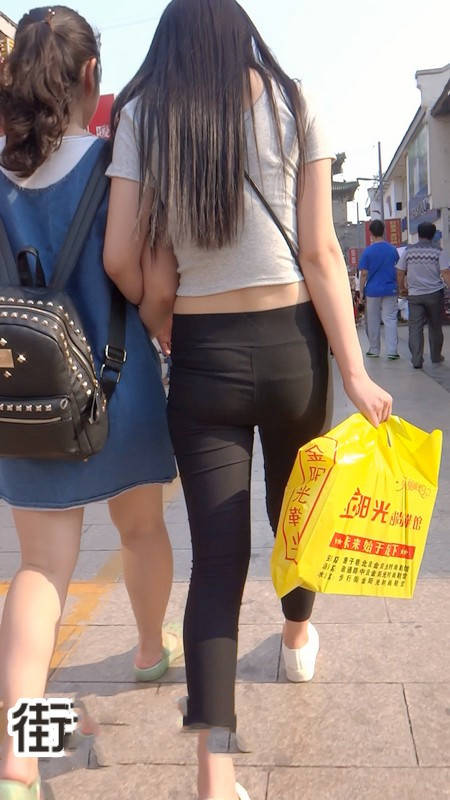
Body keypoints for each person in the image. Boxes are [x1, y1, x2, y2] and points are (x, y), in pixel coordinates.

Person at [104, 2, 392, 798]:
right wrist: (356, 370)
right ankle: (297, 637)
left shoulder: (144, 114)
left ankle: (215, 769)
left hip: (203, 355)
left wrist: (164, 324)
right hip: (294, 345)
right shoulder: (296, 101)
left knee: (217, 561)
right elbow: (321, 250)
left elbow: (121, 254)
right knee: (296, 512)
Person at [0, 7, 179, 799]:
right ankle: (148, 650)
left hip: (25, 400)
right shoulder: (113, 164)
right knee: (141, 531)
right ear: (89, 77)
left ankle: (19, 759)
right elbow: (140, 274)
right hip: (119, 384)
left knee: (41, 570)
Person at [397, 222, 450, 368]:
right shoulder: (438, 251)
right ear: (433, 235)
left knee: (415, 327)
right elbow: (445, 273)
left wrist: (402, 288)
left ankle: (416, 359)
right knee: (435, 326)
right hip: (435, 294)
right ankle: (436, 356)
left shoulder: (408, 251)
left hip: (415, 295)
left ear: (418, 234)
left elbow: (400, 272)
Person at [359, 219, 400, 359]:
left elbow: (364, 274)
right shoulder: (392, 250)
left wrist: (361, 292)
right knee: (390, 319)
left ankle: (374, 349)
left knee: (373, 320)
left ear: (370, 233)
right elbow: (398, 268)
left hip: (372, 291)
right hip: (390, 288)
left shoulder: (367, 252)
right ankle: (392, 351)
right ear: (384, 231)